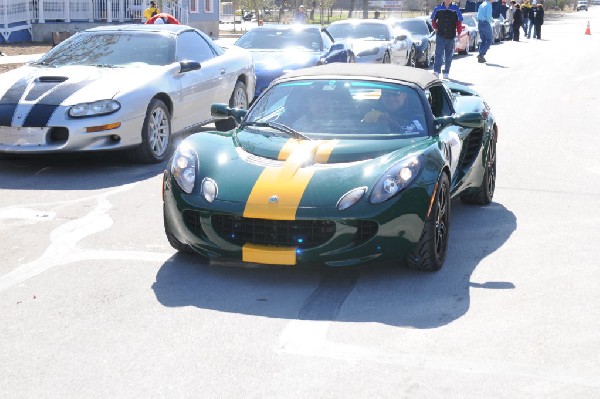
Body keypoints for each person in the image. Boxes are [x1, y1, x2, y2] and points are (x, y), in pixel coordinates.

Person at [430, 0, 463, 80]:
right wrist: (436, 28)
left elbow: (459, 22)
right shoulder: (438, 8)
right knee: (438, 54)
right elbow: (433, 20)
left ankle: (446, 72)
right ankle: (436, 71)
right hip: (440, 35)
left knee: (449, 55)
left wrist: (459, 34)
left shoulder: (456, 9)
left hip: (451, 36)